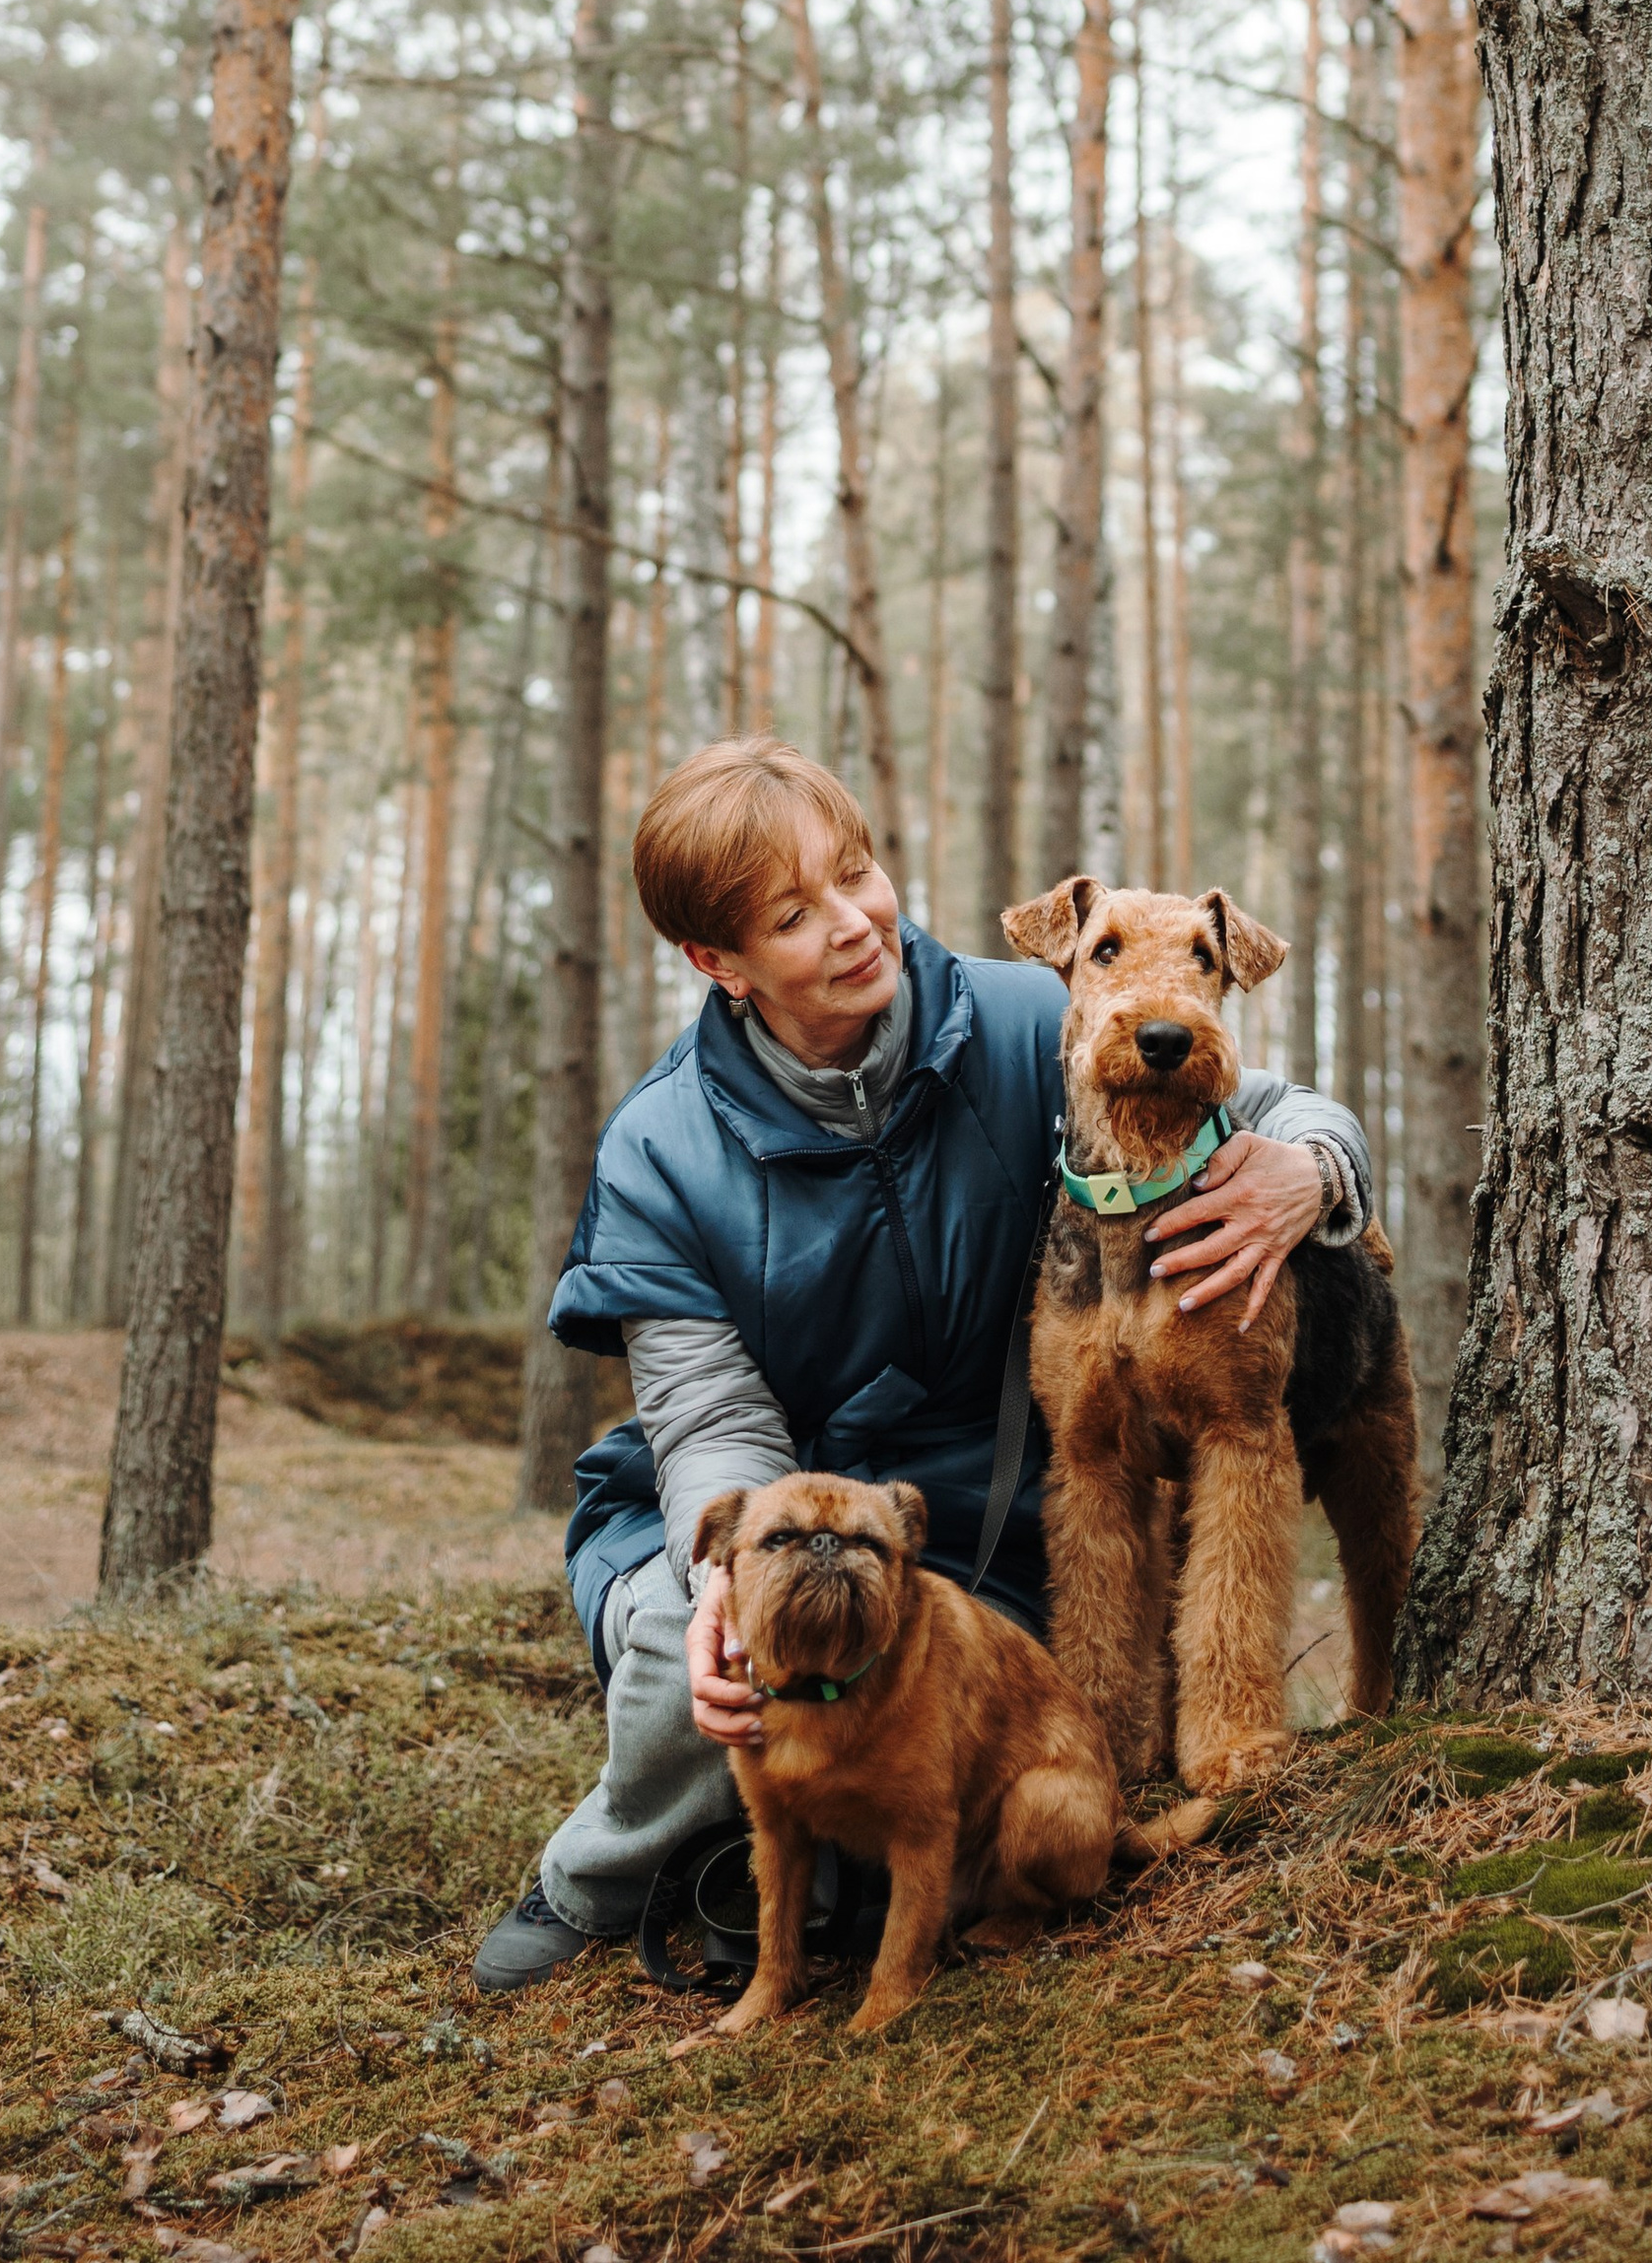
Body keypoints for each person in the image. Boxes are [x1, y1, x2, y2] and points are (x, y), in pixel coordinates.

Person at [472, 735, 1375, 1992]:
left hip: (973, 1522)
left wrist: (1317, 1172)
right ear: (717, 961)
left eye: (859, 872)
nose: (854, 923)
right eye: (795, 913)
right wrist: (728, 1563)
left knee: (965, 1757)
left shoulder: (1020, 1019)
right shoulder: (656, 1151)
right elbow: (707, 1418)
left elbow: (1271, 1099)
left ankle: (821, 1866)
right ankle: (601, 1873)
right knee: (720, 1623)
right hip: (756, 1504)